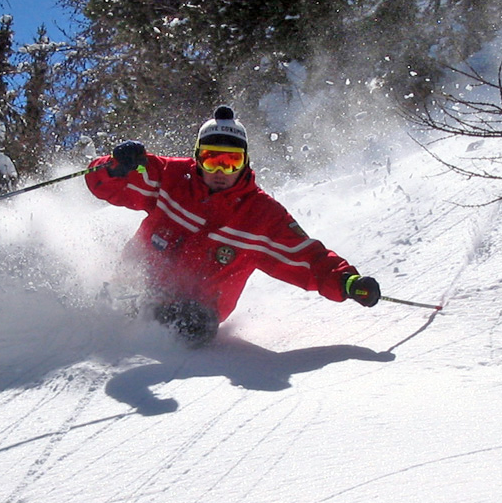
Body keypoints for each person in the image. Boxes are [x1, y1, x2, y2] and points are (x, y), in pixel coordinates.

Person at [85, 105, 381, 345]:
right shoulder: (170, 177)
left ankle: (156, 332)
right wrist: (115, 165)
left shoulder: (261, 216)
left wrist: (347, 282)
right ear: (197, 156)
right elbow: (104, 185)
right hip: (136, 286)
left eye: (231, 162)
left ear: (246, 162)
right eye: (211, 159)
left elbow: (307, 258)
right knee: (108, 310)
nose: (220, 171)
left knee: (188, 325)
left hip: (193, 313)